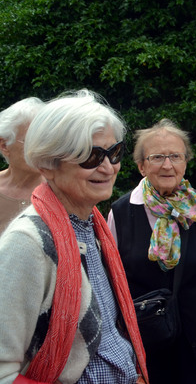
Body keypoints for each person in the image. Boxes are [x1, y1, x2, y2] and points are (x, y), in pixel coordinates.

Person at [0, 89, 148, 384]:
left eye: (114, 152)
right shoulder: (28, 243)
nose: (108, 167)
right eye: (91, 157)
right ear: (48, 166)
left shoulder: (91, 225)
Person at [107, 118, 196, 384]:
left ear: (185, 163)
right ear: (141, 166)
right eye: (158, 157)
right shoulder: (121, 211)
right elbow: (114, 273)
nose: (167, 164)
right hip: (148, 336)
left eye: (175, 156)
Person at [0, 97, 45, 233]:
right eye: (31, 139)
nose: (41, 148)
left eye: (44, 139)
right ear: (4, 145)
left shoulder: (61, 191)